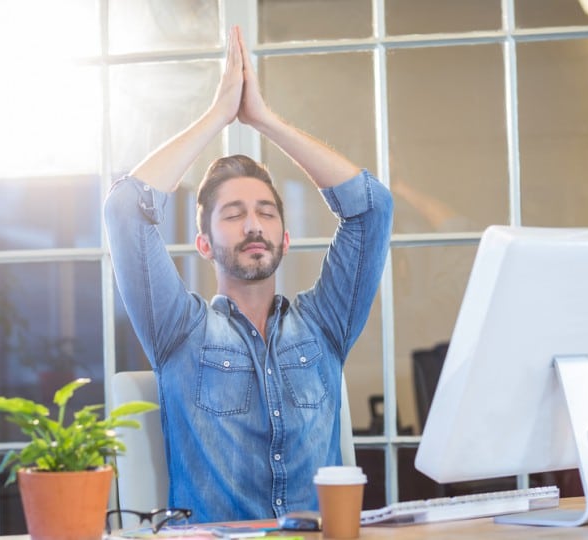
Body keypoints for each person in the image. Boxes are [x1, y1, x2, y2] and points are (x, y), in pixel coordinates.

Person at [104, 25, 393, 522]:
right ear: (204, 244)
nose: (253, 224)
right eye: (234, 214)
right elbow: (125, 210)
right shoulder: (179, 331)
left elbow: (371, 206)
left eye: (266, 212)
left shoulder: (325, 324)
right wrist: (219, 115)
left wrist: (264, 121)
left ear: (284, 238)